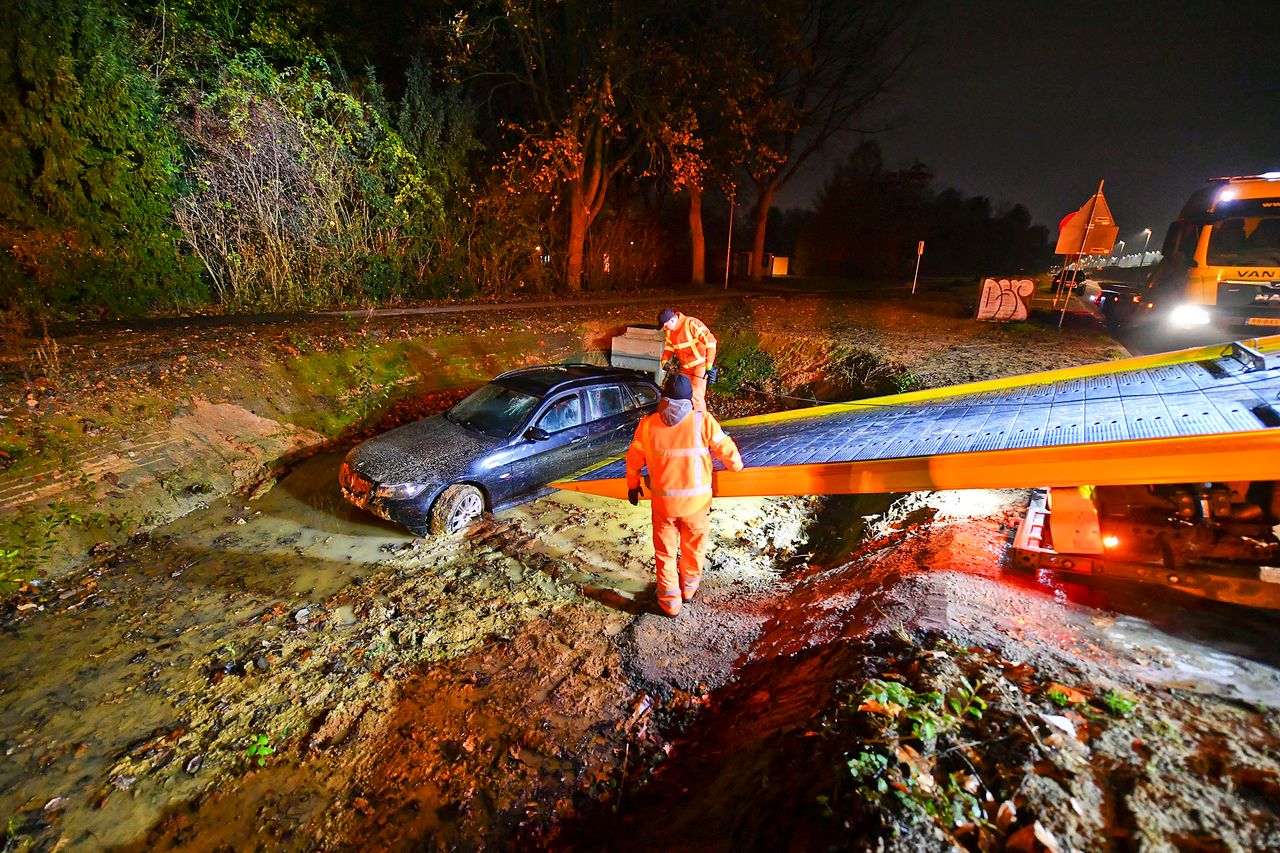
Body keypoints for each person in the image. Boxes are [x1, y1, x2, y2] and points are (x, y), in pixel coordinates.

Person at [625, 374, 744, 617]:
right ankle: (688, 590)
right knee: (694, 548)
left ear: (664, 398)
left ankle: (670, 603)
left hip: (664, 505)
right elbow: (727, 451)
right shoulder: (703, 421)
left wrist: (632, 485)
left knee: (665, 553)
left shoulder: (647, 424)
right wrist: (736, 467)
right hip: (697, 506)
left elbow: (633, 459)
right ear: (690, 399)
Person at [658, 308, 717, 412]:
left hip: (699, 366)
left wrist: (709, 366)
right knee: (680, 393)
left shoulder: (691, 324)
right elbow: (669, 347)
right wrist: (664, 361)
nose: (665, 327)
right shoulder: (669, 331)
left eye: (666, 325)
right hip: (685, 368)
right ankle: (684, 417)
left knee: (696, 395)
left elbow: (711, 341)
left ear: (672, 320)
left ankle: (701, 419)